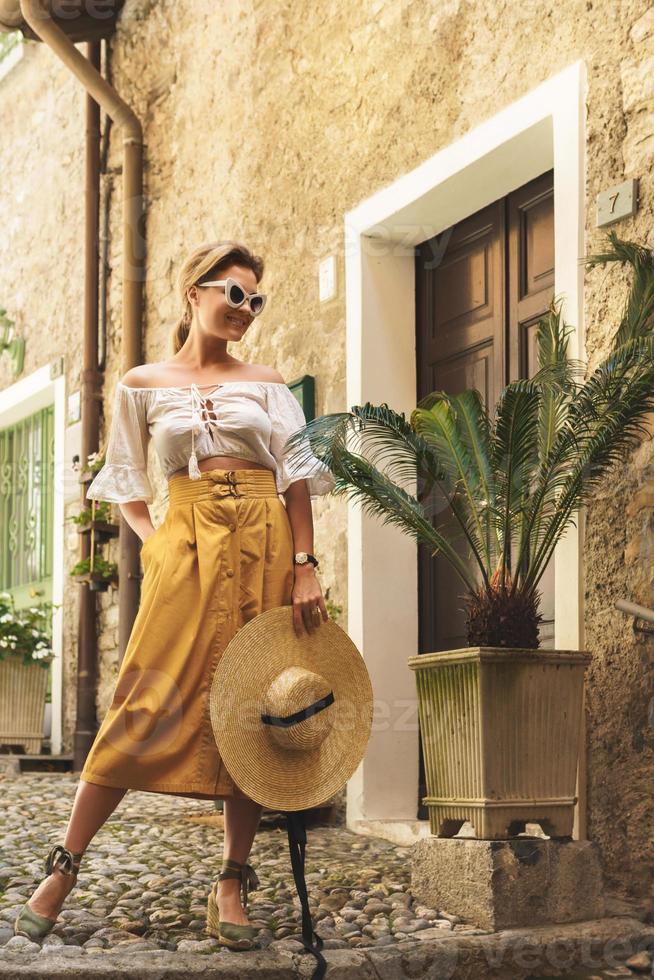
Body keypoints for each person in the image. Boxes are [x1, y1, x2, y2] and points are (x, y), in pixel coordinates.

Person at [15, 240, 336, 949]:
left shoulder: (267, 382)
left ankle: (231, 879)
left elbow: (297, 476)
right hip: (185, 542)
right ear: (194, 293)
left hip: (266, 541)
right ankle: (65, 866)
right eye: (233, 292)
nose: (245, 309)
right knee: (143, 696)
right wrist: (154, 533)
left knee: (256, 706)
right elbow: (124, 475)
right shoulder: (142, 382)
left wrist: (306, 561)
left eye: (255, 299)